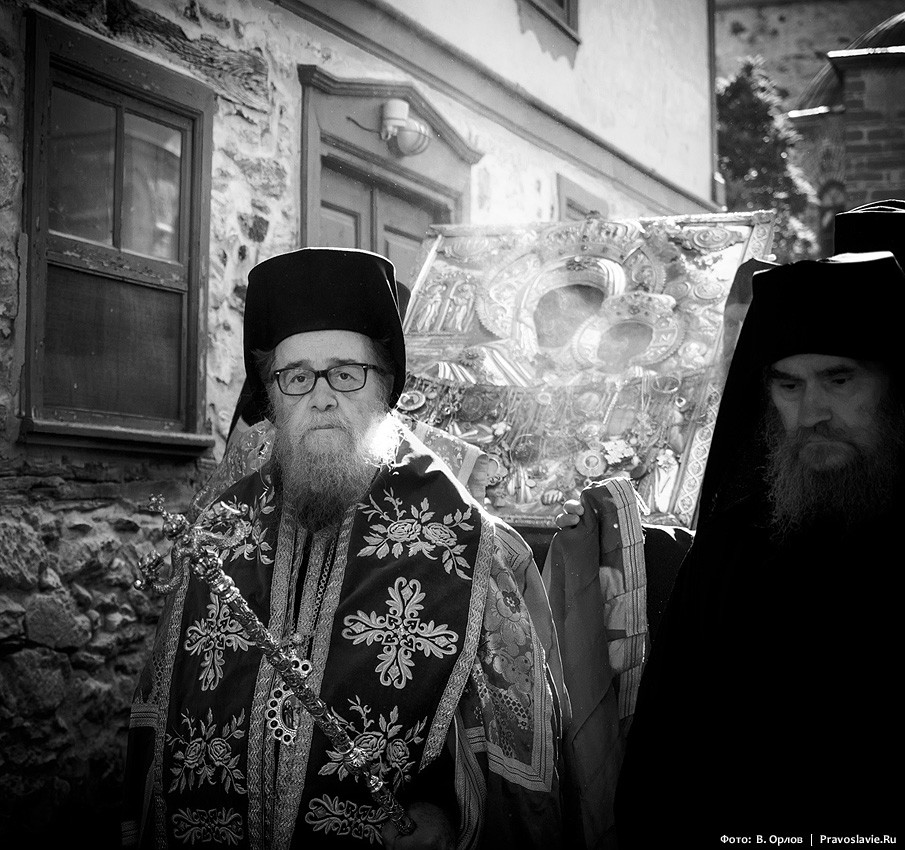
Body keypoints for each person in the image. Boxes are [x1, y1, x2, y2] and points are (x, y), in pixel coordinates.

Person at [121, 248, 565, 849]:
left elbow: (517, 760)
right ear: (271, 394)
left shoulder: (465, 543)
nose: (322, 396)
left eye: (346, 373)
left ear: (383, 386)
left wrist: (447, 818)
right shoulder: (217, 535)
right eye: (297, 376)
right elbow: (157, 728)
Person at [611, 249, 904, 845]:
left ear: (898, 384)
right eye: (789, 385)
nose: (811, 413)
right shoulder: (732, 546)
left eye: (840, 380)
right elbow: (666, 754)